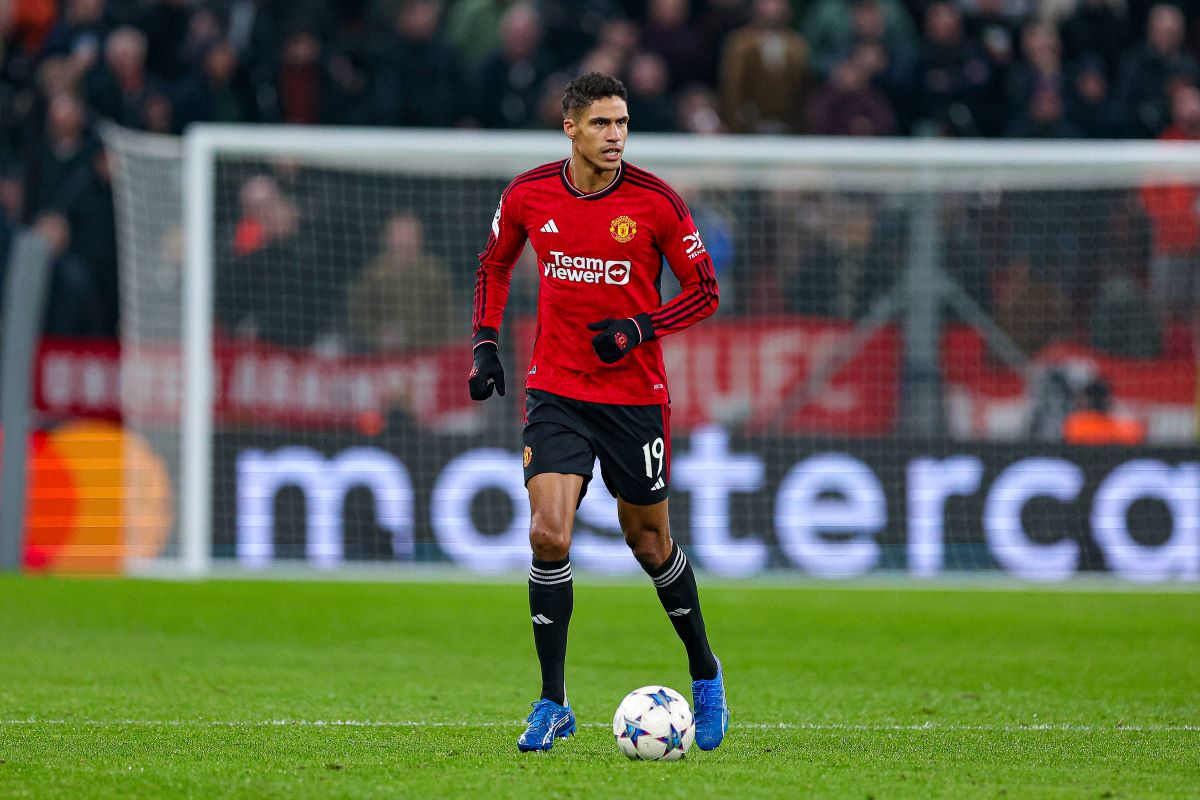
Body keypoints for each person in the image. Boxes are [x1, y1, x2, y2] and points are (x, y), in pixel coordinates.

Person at [468, 72, 727, 753]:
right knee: (548, 535)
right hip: (555, 388)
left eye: (623, 124)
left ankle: (704, 671)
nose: (615, 136)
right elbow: (495, 266)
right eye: (602, 124)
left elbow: (705, 291)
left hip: (634, 399)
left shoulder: (656, 203)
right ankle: (552, 702)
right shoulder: (528, 193)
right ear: (571, 129)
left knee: (649, 544)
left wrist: (640, 329)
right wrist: (485, 345)